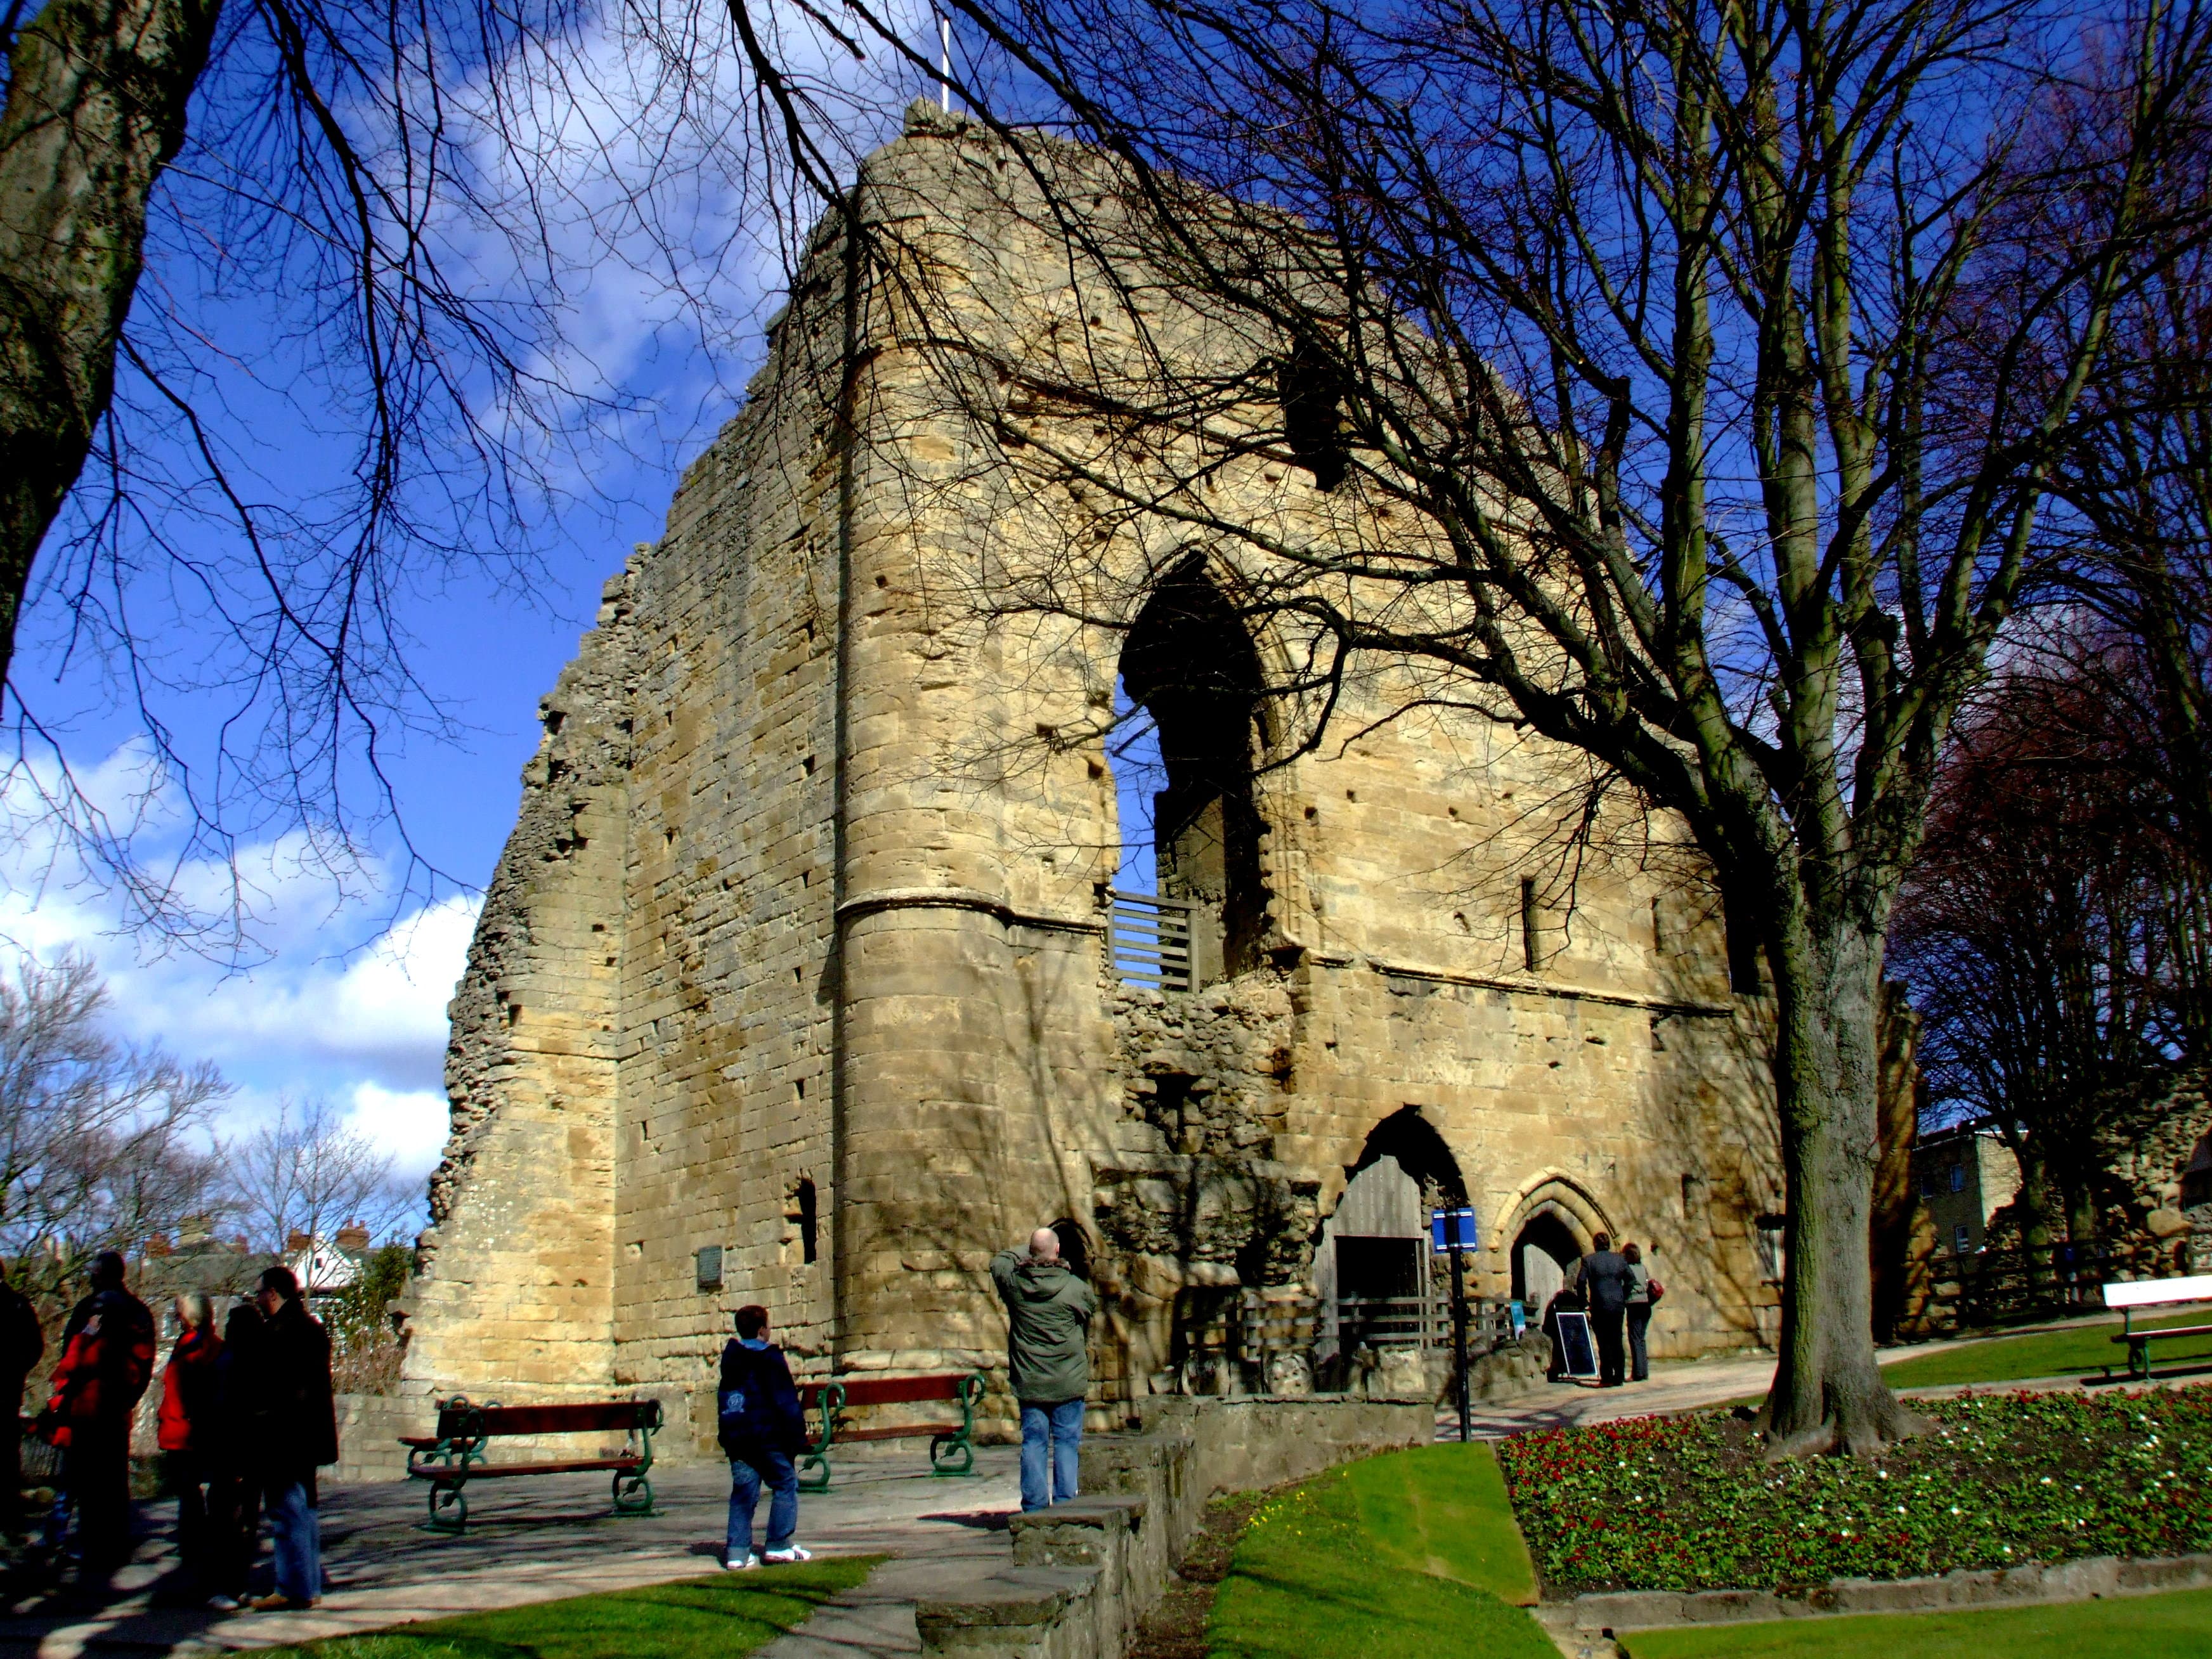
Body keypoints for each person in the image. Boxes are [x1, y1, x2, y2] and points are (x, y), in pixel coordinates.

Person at [42, 1251, 156, 1582]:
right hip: (115, 1408)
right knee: (112, 1479)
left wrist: (70, 1391)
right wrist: (127, 1398)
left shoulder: (91, 1310)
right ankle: (112, 1544)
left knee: (89, 1481)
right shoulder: (138, 1312)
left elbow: (72, 1355)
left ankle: (94, 1548)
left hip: (88, 1407)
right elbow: (144, 1363)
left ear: (100, 1275)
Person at [245, 1266, 336, 1611]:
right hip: (307, 1436)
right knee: (305, 1513)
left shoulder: (280, 1333)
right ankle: (308, 1585)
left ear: (272, 1293)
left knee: (288, 1514)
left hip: (285, 1436)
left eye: (259, 1293)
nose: (257, 1300)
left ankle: (293, 1587)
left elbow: (277, 1392)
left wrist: (260, 1418)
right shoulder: (311, 1328)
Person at [991, 1228, 1095, 1513]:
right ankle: (1065, 1505)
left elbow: (999, 1261)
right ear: (1058, 1251)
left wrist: (1029, 1249)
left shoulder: (1015, 1286)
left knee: (1034, 1443)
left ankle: (1035, 1507)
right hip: (1067, 1380)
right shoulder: (1075, 1288)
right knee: (1066, 1443)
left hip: (1031, 1381)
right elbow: (1091, 1307)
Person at [717, 1305, 810, 1570]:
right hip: (769, 1435)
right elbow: (785, 1400)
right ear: (762, 1330)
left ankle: (737, 1551)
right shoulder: (770, 1358)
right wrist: (797, 1435)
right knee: (785, 1484)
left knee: (744, 1491)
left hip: (738, 1436)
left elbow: (724, 1398)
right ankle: (779, 1544)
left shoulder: (731, 1358)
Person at [156, 1294, 223, 1592]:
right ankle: (197, 1545)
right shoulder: (206, 1344)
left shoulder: (195, 1347)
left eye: (179, 1313)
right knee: (192, 1493)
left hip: (185, 1430)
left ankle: (194, 1550)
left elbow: (189, 1390)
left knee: (190, 1493)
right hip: (185, 1427)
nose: (176, 1317)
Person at [204, 1299, 266, 1610]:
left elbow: (225, 1408)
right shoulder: (258, 1359)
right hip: (247, 1450)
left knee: (227, 1521)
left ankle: (227, 1586)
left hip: (232, 1449)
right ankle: (235, 1584)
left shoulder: (231, 1361)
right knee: (244, 1522)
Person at [0, 1265, 44, 1534]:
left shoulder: (16, 1305)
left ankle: (8, 1516)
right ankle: (9, 1516)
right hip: (8, 1389)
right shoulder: (18, 1304)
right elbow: (35, 1347)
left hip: (7, 1387)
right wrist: (18, 1371)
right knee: (7, 1453)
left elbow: (34, 1348)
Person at [1575, 1233, 1632, 1388]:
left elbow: (1580, 1281)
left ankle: (1607, 1377)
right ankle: (1619, 1376)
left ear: (1595, 1245)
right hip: (1617, 1305)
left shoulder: (1589, 1260)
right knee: (1617, 1340)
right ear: (1609, 1244)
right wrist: (1623, 1295)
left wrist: (1584, 1302)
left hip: (1599, 1305)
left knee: (1604, 1342)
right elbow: (1631, 1279)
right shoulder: (1620, 1259)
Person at [1622, 1243, 1658, 1384]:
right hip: (1645, 1305)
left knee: (1635, 1339)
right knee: (1641, 1339)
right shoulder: (1643, 1268)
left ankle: (1637, 1373)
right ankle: (1644, 1371)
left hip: (1634, 1304)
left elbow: (1627, 1285)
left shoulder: (1628, 1269)